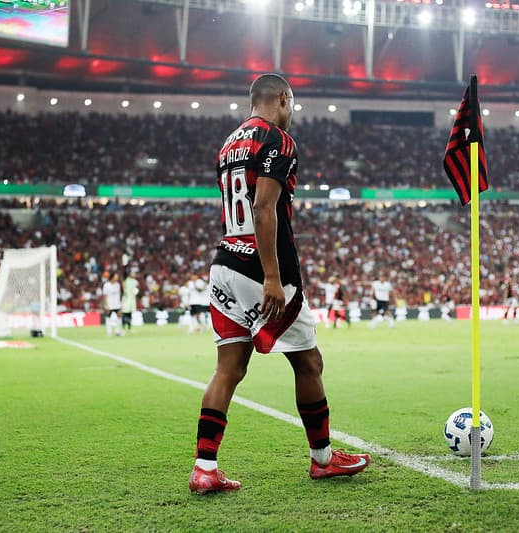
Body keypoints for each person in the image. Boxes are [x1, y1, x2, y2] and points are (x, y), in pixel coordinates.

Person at [189, 73, 370, 494]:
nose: (293, 114)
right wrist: (272, 275)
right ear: (283, 99)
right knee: (309, 363)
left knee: (228, 369)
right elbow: (264, 207)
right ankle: (323, 459)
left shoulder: (229, 142)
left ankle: (204, 467)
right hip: (263, 269)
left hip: (224, 265)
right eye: (293, 105)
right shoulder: (278, 139)